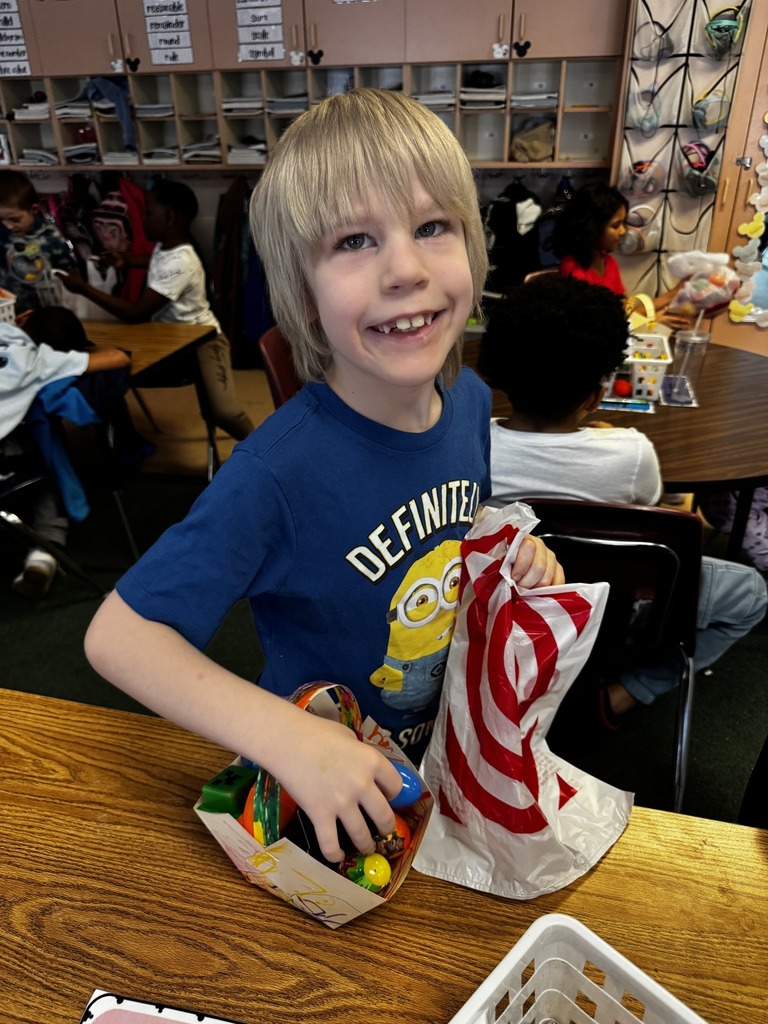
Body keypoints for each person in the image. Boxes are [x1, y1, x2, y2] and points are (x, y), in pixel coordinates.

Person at [82, 88, 563, 864]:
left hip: (441, 751)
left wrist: (504, 551)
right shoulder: (279, 472)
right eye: (354, 241)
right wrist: (289, 740)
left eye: (432, 226)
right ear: (303, 294)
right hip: (324, 794)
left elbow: (449, 524)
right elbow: (119, 637)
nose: (406, 269)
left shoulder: (470, 399)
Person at [478, 274, 767, 726]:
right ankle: (628, 691)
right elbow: (656, 519)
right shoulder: (632, 454)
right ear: (596, 396)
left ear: (498, 375)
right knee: (752, 595)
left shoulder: (472, 445)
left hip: (505, 606)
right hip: (617, 605)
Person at [59, 180, 254, 443]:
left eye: (149, 213)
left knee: (225, 413)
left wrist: (83, 289)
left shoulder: (181, 262)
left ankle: (265, 451)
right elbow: (157, 262)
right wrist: (127, 261)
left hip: (203, 340)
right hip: (169, 337)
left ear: (169, 217)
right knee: (111, 374)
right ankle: (125, 442)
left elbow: (136, 313)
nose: (142, 219)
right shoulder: (168, 247)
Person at [1, 309, 129, 597]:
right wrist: (88, 351)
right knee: (42, 449)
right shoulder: (40, 359)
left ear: (24, 317)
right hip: (8, 465)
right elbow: (117, 358)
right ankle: (47, 548)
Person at [551, 181, 690, 331]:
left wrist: (671, 296)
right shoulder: (573, 269)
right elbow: (596, 326)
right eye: (616, 226)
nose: (623, 231)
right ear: (592, 227)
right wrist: (651, 319)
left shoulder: (609, 262)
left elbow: (623, 312)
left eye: (623, 223)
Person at [0, 170, 76, 315]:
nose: (8, 226)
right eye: (1, 220)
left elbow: (68, 273)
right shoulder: (2, 233)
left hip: (42, 312)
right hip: (6, 310)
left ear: (34, 209)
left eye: (15, 220)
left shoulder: (51, 237)